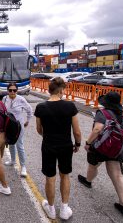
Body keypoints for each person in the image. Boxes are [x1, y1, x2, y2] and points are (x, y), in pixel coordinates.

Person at [34, 77, 82, 220]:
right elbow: (77, 132)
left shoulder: (41, 107)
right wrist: (77, 144)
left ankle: (51, 209)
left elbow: (39, 129)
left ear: (49, 90)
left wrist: (49, 135)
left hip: (48, 145)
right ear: (61, 90)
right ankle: (64, 209)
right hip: (66, 146)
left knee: (50, 177)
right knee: (65, 175)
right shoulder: (70, 106)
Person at [78, 92, 123, 216]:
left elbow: (97, 129)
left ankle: (88, 181)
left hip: (101, 147)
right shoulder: (122, 116)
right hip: (117, 148)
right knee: (117, 175)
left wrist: (88, 143)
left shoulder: (103, 113)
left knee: (93, 165)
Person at [2, 83, 32, 177]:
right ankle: (13, 160)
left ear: (17, 90)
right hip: (9, 126)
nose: (12, 92)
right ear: (7, 91)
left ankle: (23, 167)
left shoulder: (21, 99)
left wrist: (28, 120)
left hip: (19, 126)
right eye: (10, 90)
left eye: (14, 90)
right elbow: (3, 111)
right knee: (11, 143)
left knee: (19, 145)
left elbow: (29, 110)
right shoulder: (5, 99)